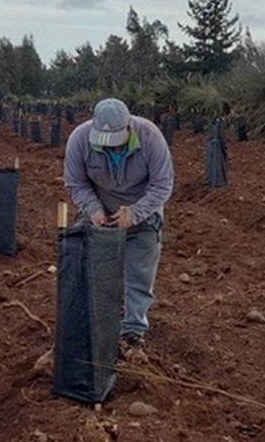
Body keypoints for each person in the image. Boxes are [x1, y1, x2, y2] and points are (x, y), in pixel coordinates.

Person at [64, 98, 174, 352]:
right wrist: (93, 209)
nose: (110, 148)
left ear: (128, 128)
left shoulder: (151, 138)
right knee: (92, 270)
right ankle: (94, 326)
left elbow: (162, 185)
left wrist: (135, 213)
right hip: (99, 211)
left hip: (142, 212)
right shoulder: (79, 139)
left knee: (139, 275)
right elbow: (76, 183)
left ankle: (133, 333)